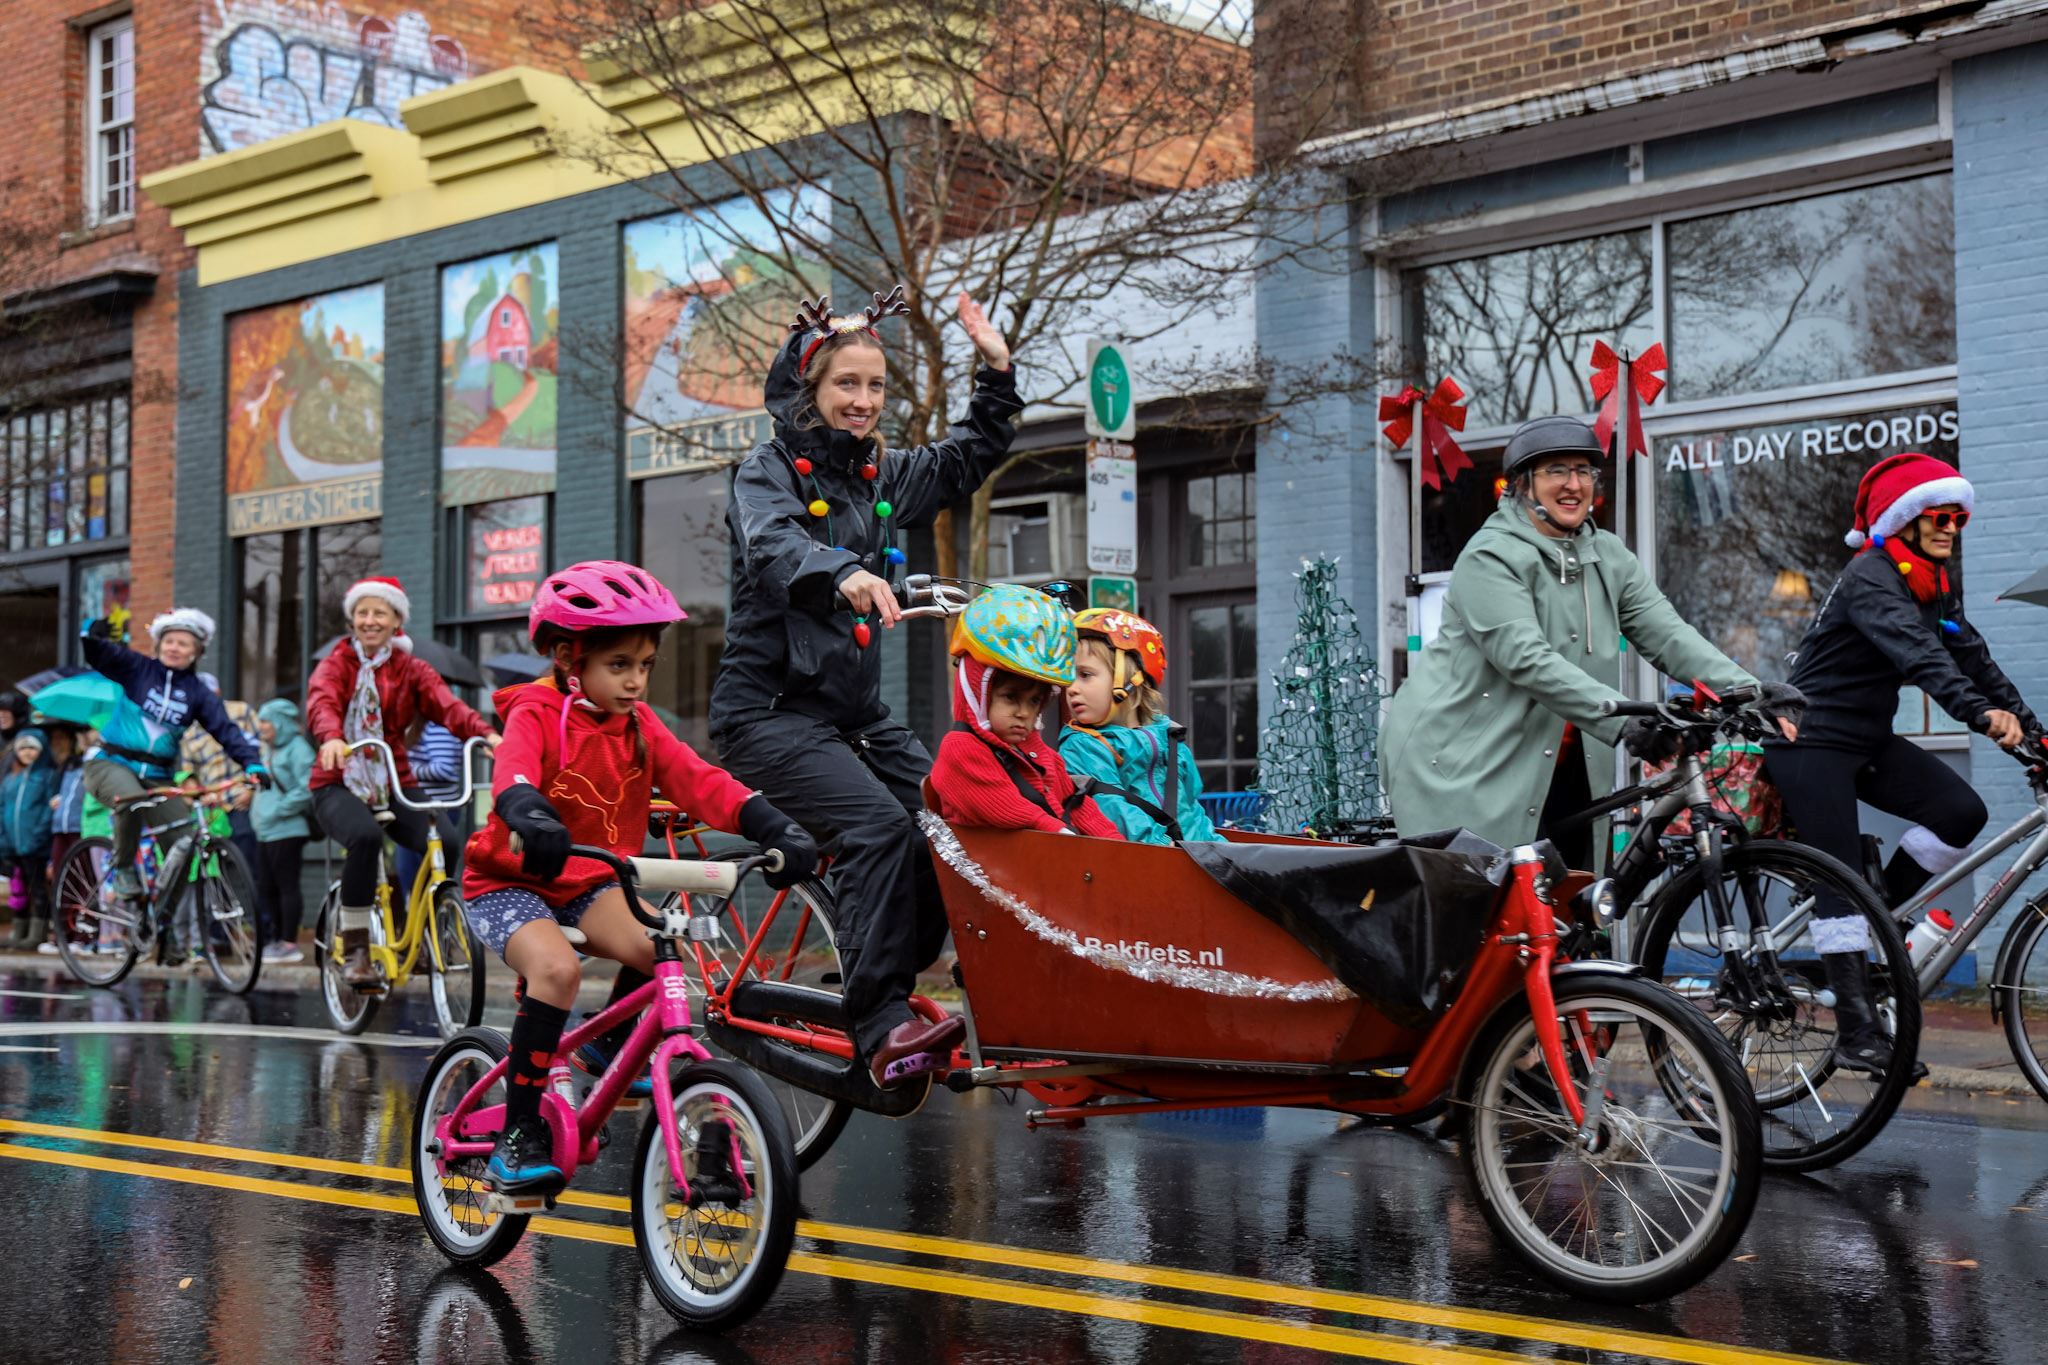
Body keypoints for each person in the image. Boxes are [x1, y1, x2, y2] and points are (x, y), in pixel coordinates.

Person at [709, 288, 1020, 1087]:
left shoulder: (878, 473)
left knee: (947, 812)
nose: (863, 400)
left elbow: (962, 463)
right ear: (810, 390)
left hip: (854, 715)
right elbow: (776, 545)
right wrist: (839, 570)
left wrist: (994, 371)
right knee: (881, 829)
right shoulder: (765, 473)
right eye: (847, 384)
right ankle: (876, 1019)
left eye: (875, 386)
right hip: (768, 716)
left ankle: (895, 977)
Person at [462, 561, 817, 1195]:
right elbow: (513, 772)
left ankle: (603, 1051)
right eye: (619, 664)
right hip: (509, 884)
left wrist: (773, 825)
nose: (635, 682)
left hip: (588, 882)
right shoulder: (537, 712)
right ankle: (518, 1135)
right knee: (557, 972)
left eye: (645, 665)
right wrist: (526, 810)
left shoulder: (641, 728)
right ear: (573, 660)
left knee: (660, 947)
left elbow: (700, 780)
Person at [1381, 415, 1801, 865]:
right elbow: (1526, 659)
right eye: (1556, 471)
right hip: (1464, 760)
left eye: (1583, 471)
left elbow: (1667, 634)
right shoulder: (1491, 556)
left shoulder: (1608, 555)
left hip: (1558, 761)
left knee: (1574, 912)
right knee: (1493, 918)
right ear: (1522, 484)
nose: (1573, 484)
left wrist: (1752, 693)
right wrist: (1622, 722)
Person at [1765, 453, 2039, 1072]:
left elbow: (1972, 657)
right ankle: (1857, 1032)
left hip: (1864, 740)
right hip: (1809, 741)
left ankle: (1876, 917)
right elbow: (1920, 656)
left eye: (1958, 519)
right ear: (1906, 520)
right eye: (1939, 516)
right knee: (1839, 874)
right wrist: (1980, 716)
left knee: (1959, 810)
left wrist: (2037, 736)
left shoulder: (1932, 581)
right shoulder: (1871, 575)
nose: (1950, 527)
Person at [306, 575, 498, 992]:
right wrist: (333, 737)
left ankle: (432, 929)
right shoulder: (337, 664)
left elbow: (449, 708)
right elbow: (323, 700)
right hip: (338, 782)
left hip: (392, 779)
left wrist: (487, 735)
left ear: (397, 621)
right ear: (352, 620)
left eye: (379, 612)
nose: (369, 620)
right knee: (364, 837)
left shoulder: (413, 670)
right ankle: (356, 947)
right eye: (362, 613)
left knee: (445, 840)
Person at [81, 608, 269, 903]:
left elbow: (225, 729)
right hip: (109, 763)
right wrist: (92, 635)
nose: (175, 648)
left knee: (184, 845)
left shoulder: (198, 693)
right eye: (169, 641)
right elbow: (100, 656)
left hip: (158, 777)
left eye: (184, 644)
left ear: (196, 652)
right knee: (132, 800)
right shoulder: (138, 668)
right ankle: (123, 868)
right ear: (159, 644)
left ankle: (166, 932)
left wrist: (252, 762)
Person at [928, 585, 1120, 839]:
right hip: (992, 871)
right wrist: (1062, 832)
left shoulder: (1042, 755)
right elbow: (1007, 807)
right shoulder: (961, 748)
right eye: (1011, 698)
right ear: (978, 692)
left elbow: (1078, 805)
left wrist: (1116, 845)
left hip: (1039, 864)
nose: (1024, 713)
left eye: (1034, 702)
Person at [1058, 609, 1220, 845]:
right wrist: (1165, 847)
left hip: (1193, 858)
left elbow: (1191, 808)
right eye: (1069, 677)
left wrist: (1221, 853)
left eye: (1085, 675)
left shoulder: (1169, 735)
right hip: (1143, 863)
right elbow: (1112, 809)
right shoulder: (1081, 745)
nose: (1071, 688)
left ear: (1131, 679)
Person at [252, 698, 317, 965]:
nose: (262, 726)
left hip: (287, 830)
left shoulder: (298, 749)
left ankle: (289, 942)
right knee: (267, 887)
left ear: (279, 721)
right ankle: (275, 940)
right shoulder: (270, 750)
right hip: (266, 831)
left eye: (266, 720)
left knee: (287, 886)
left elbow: (307, 788)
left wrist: (278, 810)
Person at [0, 729, 55, 948]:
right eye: (22, 748)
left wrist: (37, 837)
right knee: (17, 887)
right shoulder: (10, 778)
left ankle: (37, 930)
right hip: (12, 844)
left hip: (36, 845)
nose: (27, 753)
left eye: (32, 748)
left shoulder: (47, 775)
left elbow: (49, 809)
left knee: (38, 887)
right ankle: (18, 928)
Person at [38, 725, 86, 955]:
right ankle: (60, 934)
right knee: (60, 881)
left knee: (82, 882)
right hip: (61, 827)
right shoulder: (67, 766)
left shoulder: (94, 763)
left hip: (81, 828)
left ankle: (82, 935)